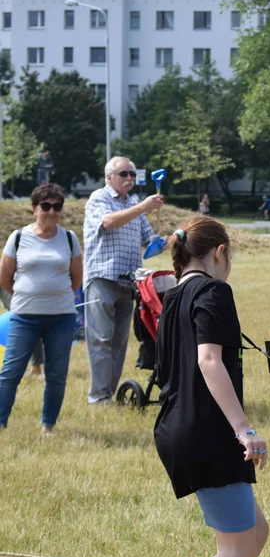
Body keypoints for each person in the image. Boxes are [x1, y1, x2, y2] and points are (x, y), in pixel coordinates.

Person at [153, 217, 269, 557]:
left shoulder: (171, 296)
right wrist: (244, 429)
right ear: (220, 252)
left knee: (255, 534)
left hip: (179, 428)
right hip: (207, 432)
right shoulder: (215, 290)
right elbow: (208, 361)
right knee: (235, 550)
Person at [82, 156, 166, 404]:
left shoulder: (133, 203)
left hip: (129, 282)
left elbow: (148, 242)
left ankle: (108, 394)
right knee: (101, 339)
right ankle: (98, 398)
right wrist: (143, 208)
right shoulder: (99, 198)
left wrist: (173, 239)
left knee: (119, 341)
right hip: (102, 277)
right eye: (123, 174)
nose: (129, 178)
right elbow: (107, 222)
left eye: (132, 173)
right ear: (109, 177)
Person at [0, 184, 82, 434]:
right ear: (34, 208)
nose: (51, 211)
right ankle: (1, 423)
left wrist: (53, 294)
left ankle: (48, 426)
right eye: (45, 206)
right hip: (24, 316)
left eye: (57, 206)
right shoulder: (18, 237)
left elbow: (76, 279)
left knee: (56, 375)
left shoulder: (69, 238)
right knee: (10, 372)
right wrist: (27, 294)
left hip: (61, 317)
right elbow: (5, 277)